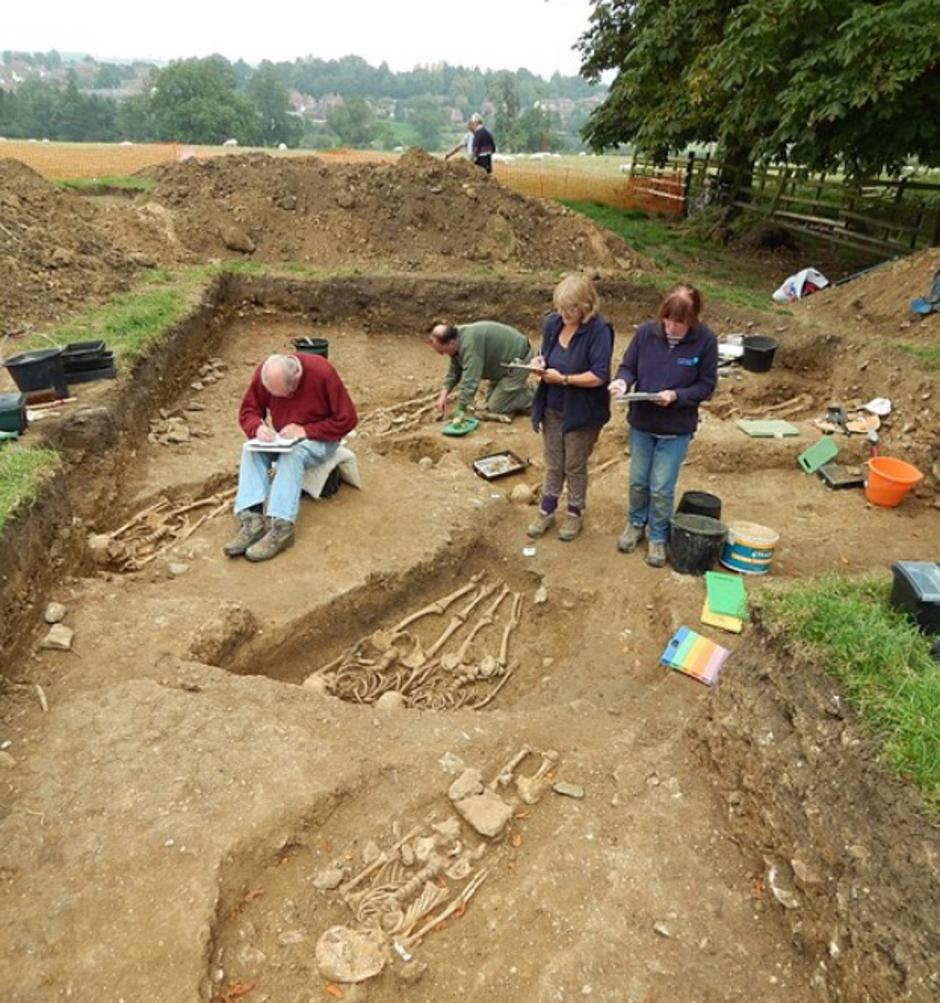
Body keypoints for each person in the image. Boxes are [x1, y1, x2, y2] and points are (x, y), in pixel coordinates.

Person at [608, 284, 718, 568]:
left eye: (679, 322)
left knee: (661, 487)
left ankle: (658, 535)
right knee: (638, 481)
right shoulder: (646, 332)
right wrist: (622, 381)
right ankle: (635, 523)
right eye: (667, 319)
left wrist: (677, 396)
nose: (671, 326)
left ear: (694, 318)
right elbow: (628, 366)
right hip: (643, 423)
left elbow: (706, 385)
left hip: (676, 428)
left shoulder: (705, 340)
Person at [224, 352, 358, 562]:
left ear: (297, 376)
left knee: (293, 455)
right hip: (283, 438)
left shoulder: (322, 373)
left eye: (285, 395)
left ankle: (281, 527)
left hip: (321, 439)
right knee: (251, 450)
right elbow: (249, 411)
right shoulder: (266, 372)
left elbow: (347, 419)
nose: (280, 401)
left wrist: (306, 431)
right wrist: (257, 428)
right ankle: (252, 518)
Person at [528, 274, 614, 542]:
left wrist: (564, 379)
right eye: (561, 308)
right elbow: (545, 353)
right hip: (552, 405)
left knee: (574, 465)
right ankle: (546, 510)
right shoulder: (553, 323)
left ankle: (575, 512)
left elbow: (599, 375)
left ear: (587, 306)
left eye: (571, 309)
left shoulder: (599, 330)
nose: (564, 313)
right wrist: (539, 363)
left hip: (583, 411)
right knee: (553, 463)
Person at [429, 320, 534, 421]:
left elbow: (470, 380)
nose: (443, 355)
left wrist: (460, 409)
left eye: (443, 351)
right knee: (492, 402)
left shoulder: (469, 345)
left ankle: (536, 398)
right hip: (502, 365)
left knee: (496, 407)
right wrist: (443, 396)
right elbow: (454, 371)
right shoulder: (456, 338)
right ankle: (515, 394)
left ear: (451, 343)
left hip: (518, 362)